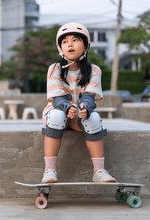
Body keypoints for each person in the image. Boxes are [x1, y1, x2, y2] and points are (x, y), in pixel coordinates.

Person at [41, 22, 116, 183]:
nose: (70, 44)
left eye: (75, 40)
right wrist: (67, 108)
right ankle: (49, 170)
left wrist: (84, 108)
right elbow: (57, 97)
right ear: (60, 47)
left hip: (80, 117)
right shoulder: (55, 69)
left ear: (86, 45)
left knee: (94, 118)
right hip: (59, 113)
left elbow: (89, 96)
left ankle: (99, 171)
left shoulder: (94, 70)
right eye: (65, 41)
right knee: (55, 116)